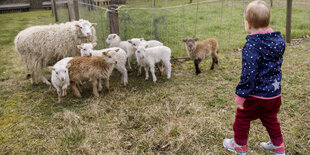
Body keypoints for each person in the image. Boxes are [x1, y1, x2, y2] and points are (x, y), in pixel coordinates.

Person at [223, 0, 286, 155]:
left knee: (243, 117)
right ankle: (278, 146)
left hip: (256, 95)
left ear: (248, 23)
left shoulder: (252, 46)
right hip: (274, 93)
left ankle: (238, 144)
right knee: (270, 118)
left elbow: (248, 74)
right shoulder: (278, 41)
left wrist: (241, 95)